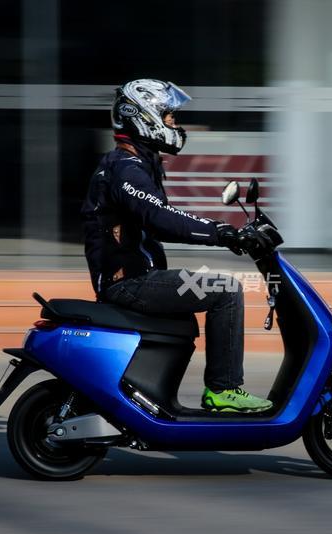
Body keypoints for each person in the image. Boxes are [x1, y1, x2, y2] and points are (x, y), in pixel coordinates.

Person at [80, 78, 272, 413]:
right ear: (143, 116)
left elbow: (160, 219)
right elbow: (160, 217)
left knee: (214, 289)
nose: (174, 124)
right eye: (168, 116)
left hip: (137, 279)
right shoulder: (125, 169)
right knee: (225, 290)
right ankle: (223, 390)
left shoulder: (140, 164)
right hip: (128, 284)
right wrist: (222, 232)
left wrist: (222, 232)